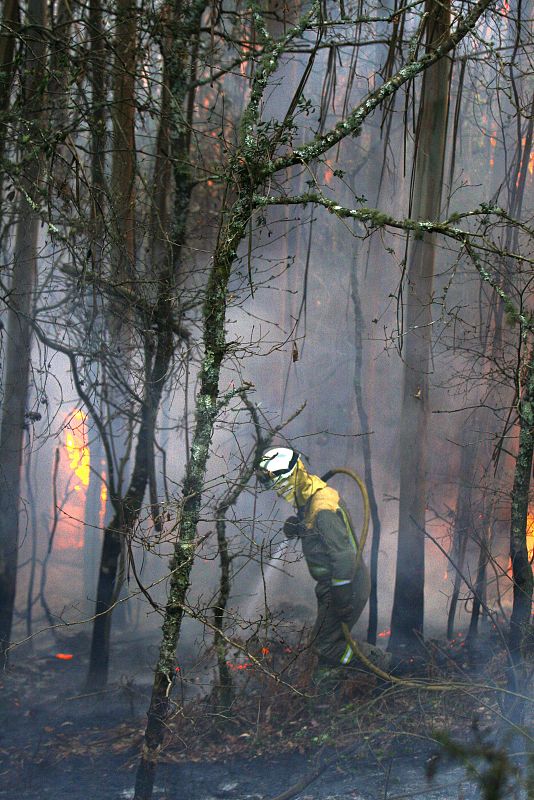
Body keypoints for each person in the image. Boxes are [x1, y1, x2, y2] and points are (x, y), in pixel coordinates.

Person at [257, 446, 371, 687]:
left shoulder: (322, 510)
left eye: (280, 485)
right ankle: (330, 688)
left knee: (326, 645)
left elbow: (343, 558)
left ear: (294, 475)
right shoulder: (311, 498)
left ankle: (383, 665)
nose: (279, 492)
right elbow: (320, 536)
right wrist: (299, 527)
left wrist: (341, 597)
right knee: (324, 643)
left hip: (345, 584)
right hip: (334, 585)